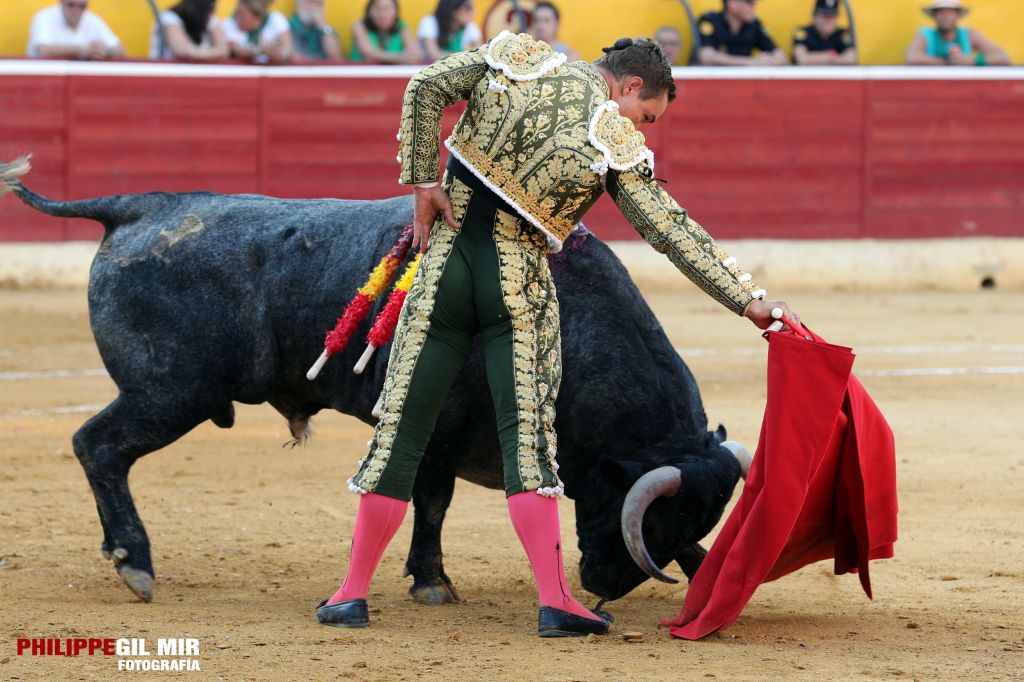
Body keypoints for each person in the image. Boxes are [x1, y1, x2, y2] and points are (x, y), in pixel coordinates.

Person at [314, 34, 800, 637]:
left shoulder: (518, 60)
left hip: (442, 273)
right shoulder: (612, 139)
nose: (644, 128)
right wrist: (748, 301)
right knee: (528, 445)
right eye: (647, 115)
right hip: (516, 286)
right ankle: (555, 602)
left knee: (401, 435)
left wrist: (422, 180)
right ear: (627, 87)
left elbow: (424, 85)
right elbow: (671, 231)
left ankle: (349, 595)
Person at [905, 0, 1010, 66]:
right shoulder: (925, 34)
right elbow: (912, 58)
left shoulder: (969, 34)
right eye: (941, 12)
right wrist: (946, 62)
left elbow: (1003, 57)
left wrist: (973, 60)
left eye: (950, 12)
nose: (945, 16)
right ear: (934, 15)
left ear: (958, 15)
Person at [696, 0, 786, 66]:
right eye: (749, 2)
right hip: (714, 84)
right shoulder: (709, 20)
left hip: (745, 86)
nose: (754, 6)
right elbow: (706, 56)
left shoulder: (754, 25)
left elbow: (781, 57)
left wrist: (767, 61)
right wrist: (751, 62)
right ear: (732, 3)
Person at [27, 0, 125, 60]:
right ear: (61, 2)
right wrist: (85, 49)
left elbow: (120, 50)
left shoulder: (92, 20)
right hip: (47, 80)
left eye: (82, 6)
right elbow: (43, 50)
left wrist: (105, 51)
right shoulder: (44, 17)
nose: (76, 10)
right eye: (71, 4)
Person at [149, 0, 229, 61]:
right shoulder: (169, 18)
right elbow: (182, 50)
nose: (213, 12)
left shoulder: (210, 20)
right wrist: (213, 53)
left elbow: (224, 50)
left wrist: (196, 53)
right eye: (211, 8)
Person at [222, 0, 293, 64]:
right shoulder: (229, 24)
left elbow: (286, 52)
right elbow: (237, 49)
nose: (237, 18)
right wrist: (260, 50)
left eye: (242, 15)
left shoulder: (276, 19)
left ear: (258, 17)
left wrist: (278, 53)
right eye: (237, 12)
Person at [350, 0, 420, 64]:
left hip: (394, 75)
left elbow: (414, 53)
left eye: (387, 8)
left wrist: (411, 56)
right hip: (362, 74)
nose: (382, 14)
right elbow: (367, 52)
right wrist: (399, 57)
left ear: (396, 11)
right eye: (377, 8)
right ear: (368, 10)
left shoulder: (402, 27)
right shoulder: (359, 25)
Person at [793, 0, 857, 66]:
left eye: (833, 16)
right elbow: (802, 59)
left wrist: (818, 58)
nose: (828, 20)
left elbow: (852, 58)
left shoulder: (843, 34)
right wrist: (831, 56)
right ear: (814, 16)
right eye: (824, 15)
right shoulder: (803, 33)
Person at [417, 0, 482, 62]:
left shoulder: (470, 27)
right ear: (453, 9)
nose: (473, 13)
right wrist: (467, 57)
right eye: (468, 8)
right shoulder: (430, 22)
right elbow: (434, 55)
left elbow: (481, 54)